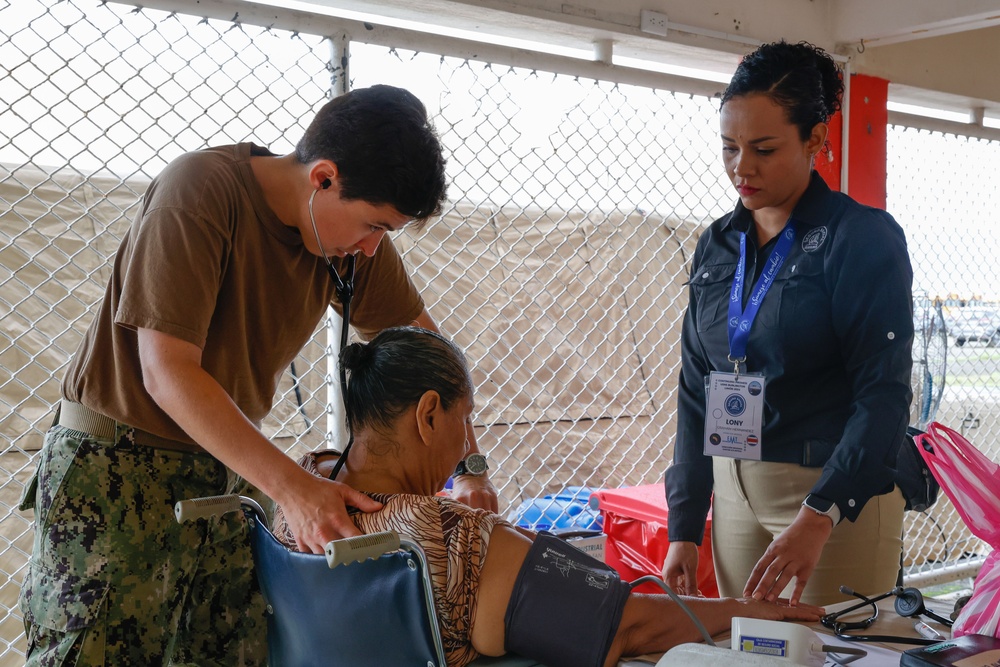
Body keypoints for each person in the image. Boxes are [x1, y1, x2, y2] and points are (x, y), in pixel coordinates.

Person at [18, 84, 497, 665]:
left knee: (232, 651)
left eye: (386, 234)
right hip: (120, 463)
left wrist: (467, 469)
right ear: (323, 177)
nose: (373, 250)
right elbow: (166, 372)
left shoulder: (347, 245)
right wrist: (296, 489)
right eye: (374, 226)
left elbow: (433, 356)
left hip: (229, 464)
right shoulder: (200, 192)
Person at [272, 327, 824, 667]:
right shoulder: (447, 539)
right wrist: (745, 610)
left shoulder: (297, 498)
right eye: (463, 423)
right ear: (428, 414)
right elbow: (621, 627)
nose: (464, 446)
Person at [662, 41, 914, 607]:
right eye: (728, 147)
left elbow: (885, 393)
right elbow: (696, 389)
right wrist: (684, 524)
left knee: (830, 651)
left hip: (828, 495)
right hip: (733, 489)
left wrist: (821, 513)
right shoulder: (717, 244)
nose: (741, 167)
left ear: (816, 140)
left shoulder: (860, 239)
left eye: (764, 149)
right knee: (747, 650)